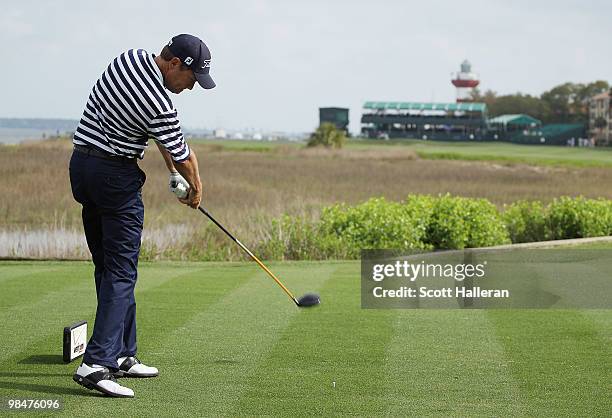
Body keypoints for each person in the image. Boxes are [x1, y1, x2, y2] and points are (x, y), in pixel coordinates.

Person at [69, 34, 214, 398]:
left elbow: (164, 142)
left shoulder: (129, 58)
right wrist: (195, 190)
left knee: (108, 267)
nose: (190, 88)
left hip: (82, 167)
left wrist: (173, 174)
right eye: (191, 79)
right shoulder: (159, 102)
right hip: (114, 179)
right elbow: (183, 152)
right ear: (175, 64)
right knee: (121, 271)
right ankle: (96, 363)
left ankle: (121, 354)